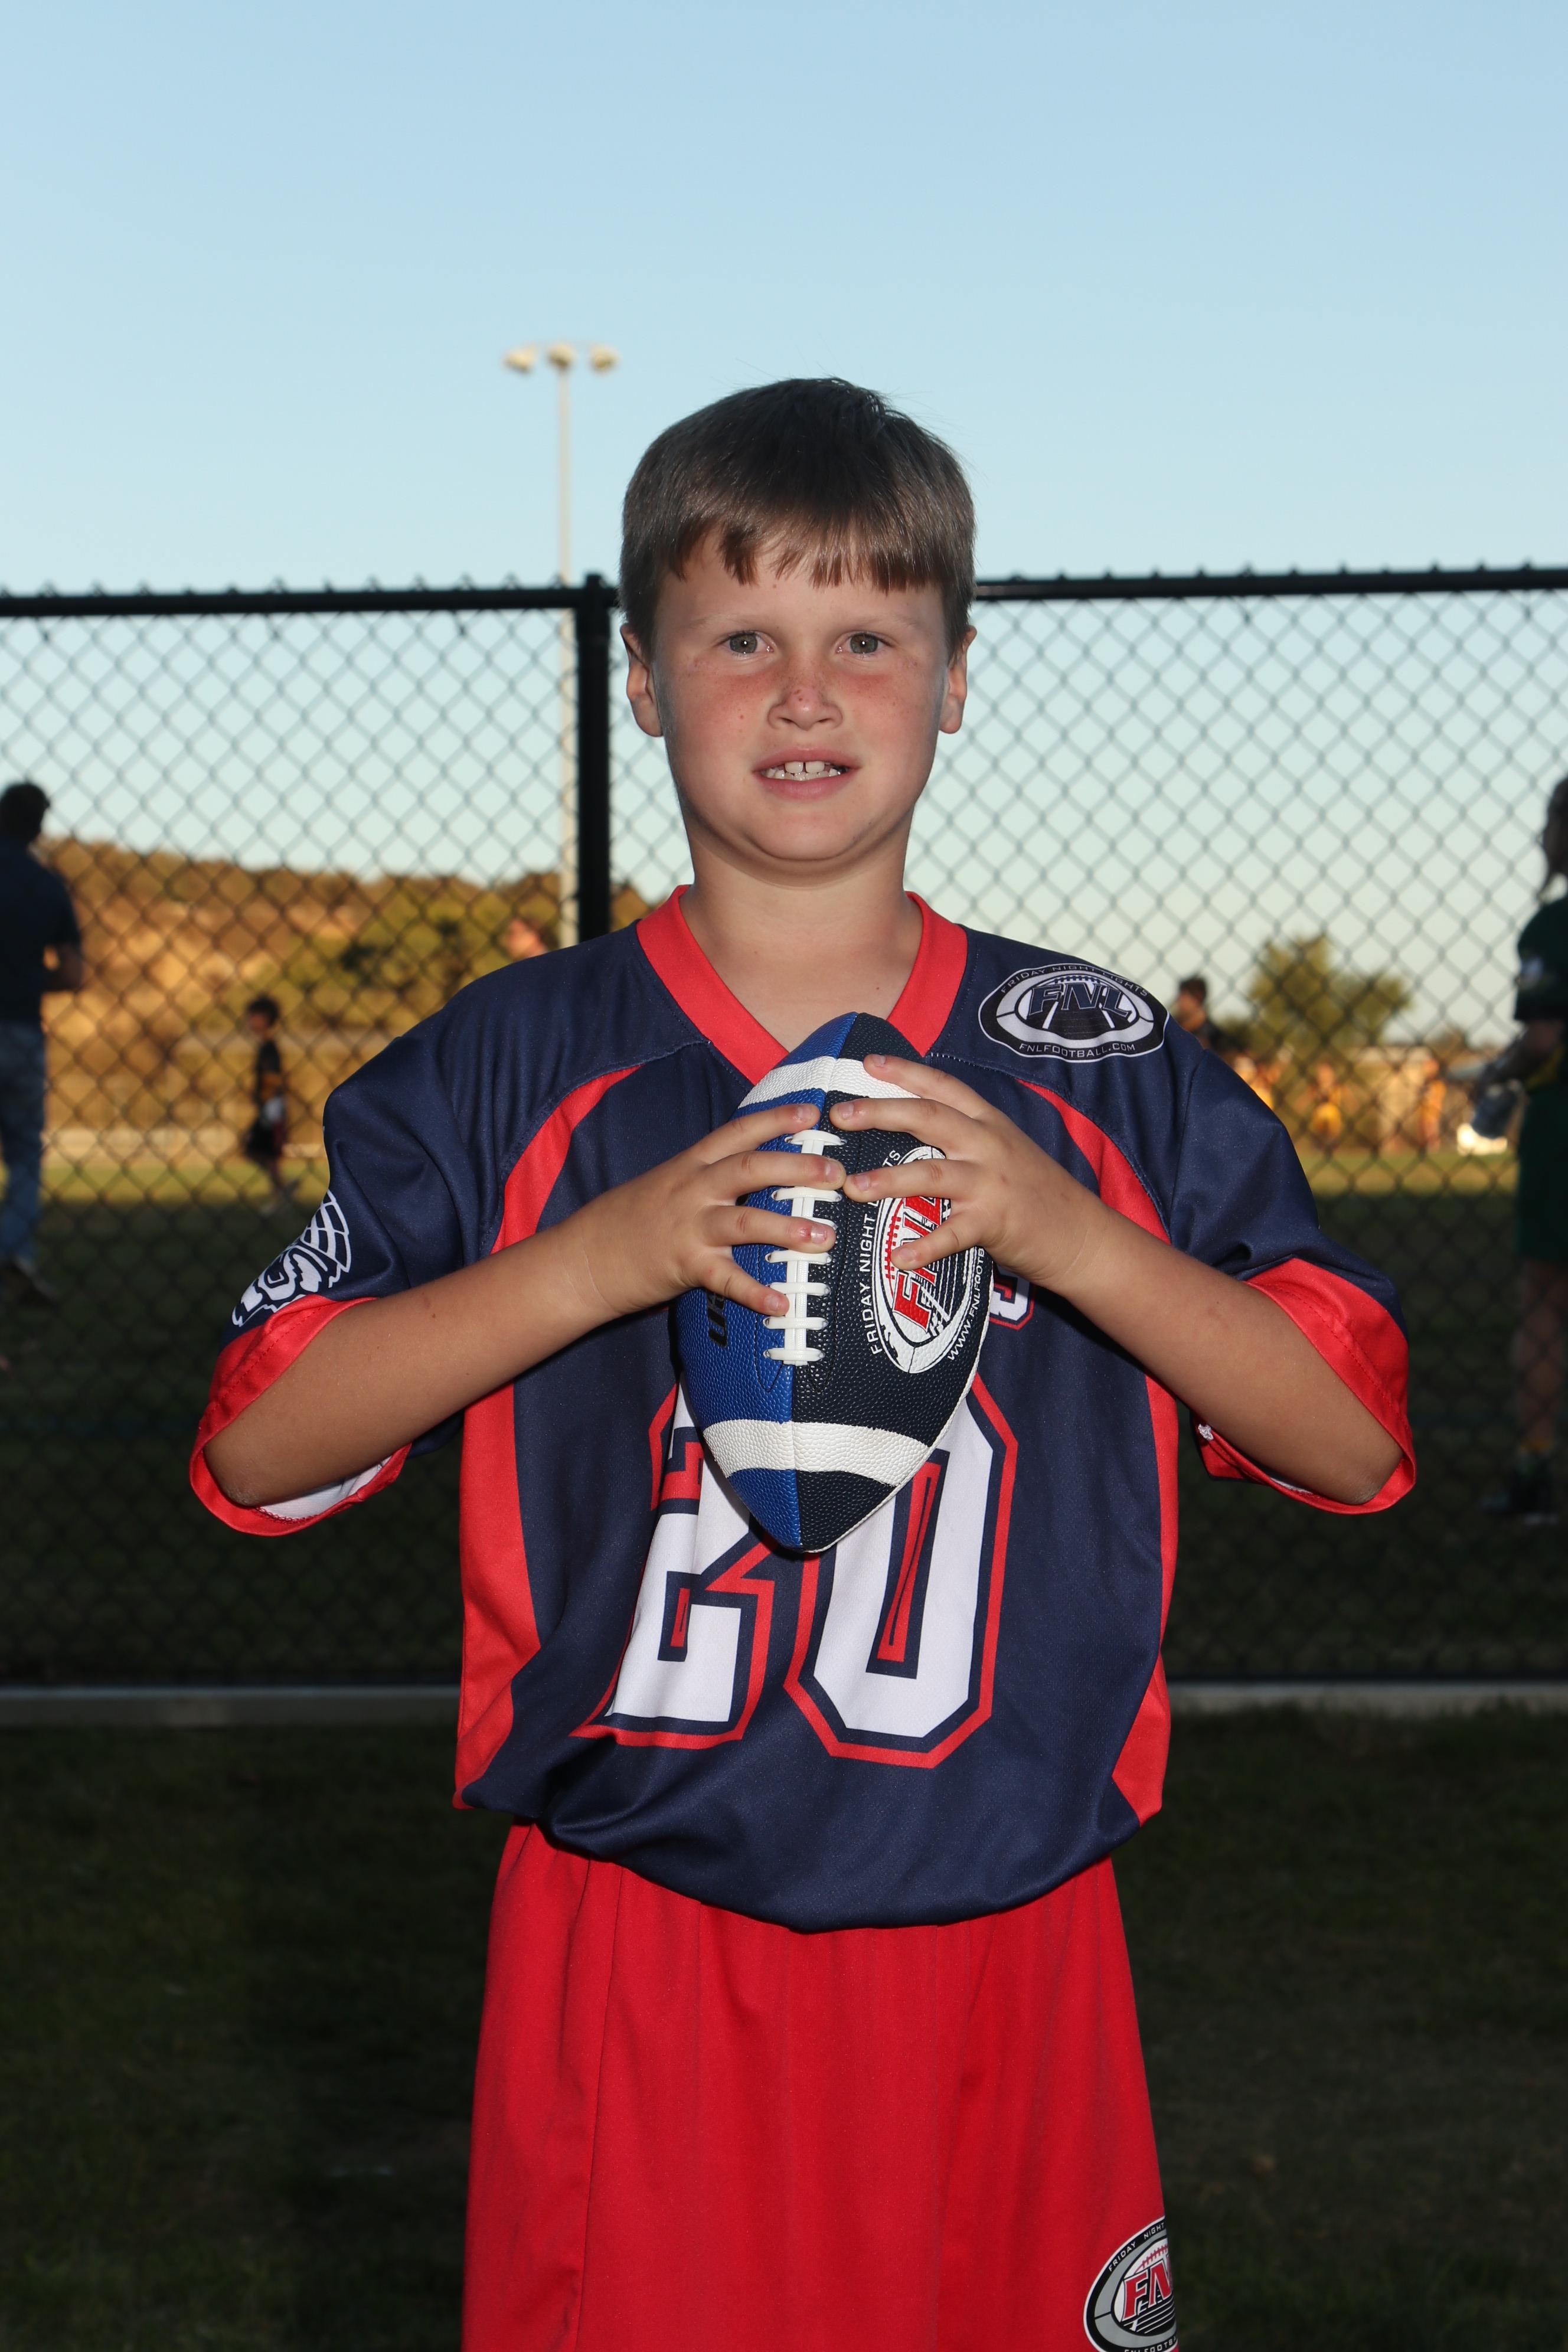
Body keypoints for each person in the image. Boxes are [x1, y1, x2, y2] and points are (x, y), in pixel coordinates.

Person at [191, 380, 1413, 2352]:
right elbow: (261, 1443)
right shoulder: (512, 1063)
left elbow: (1350, 1440)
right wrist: (597, 1260)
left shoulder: (1096, 1066)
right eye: (741, 636)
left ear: (957, 677)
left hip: (1019, 1936)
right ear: (641, 679)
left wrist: (1070, 1235)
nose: (806, 691)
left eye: (868, 636)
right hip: (644, 1943)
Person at [1474, 774, 1568, 1523]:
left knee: (1543, 1303)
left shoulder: (1552, 928)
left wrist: (1497, 1073)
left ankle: (1535, 1468)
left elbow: (1542, 1039)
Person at [0, 780, 84, 1305]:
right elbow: (73, 974)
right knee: (26, 1153)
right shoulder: (47, 885)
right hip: (22, 1031)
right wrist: (30, 981)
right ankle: (14, 1251)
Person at [240, 995, 292, 1206]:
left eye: (253, 1016)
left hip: (272, 1107)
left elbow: (273, 1078)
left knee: (258, 1149)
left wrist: (262, 1096)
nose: (249, 1021)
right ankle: (281, 1189)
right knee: (262, 1151)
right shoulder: (266, 1046)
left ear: (265, 1018)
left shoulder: (269, 1048)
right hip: (269, 1106)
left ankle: (280, 1189)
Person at [1171, 971, 1223, 1052]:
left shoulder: (1213, 1035)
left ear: (1197, 998)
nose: (1179, 1001)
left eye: (1184, 996)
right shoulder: (1172, 1029)